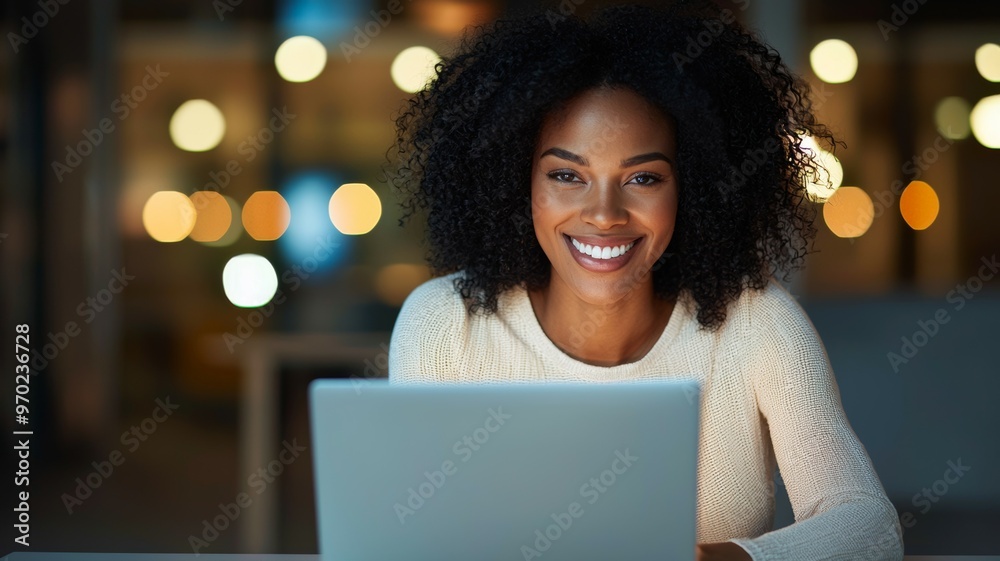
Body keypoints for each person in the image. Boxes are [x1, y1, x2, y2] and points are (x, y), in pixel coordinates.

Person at [384, 2, 904, 560]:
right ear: (517, 183)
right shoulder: (447, 322)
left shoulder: (755, 323)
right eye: (566, 175)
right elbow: (409, 532)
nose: (604, 213)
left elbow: (868, 526)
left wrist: (710, 559)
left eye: (643, 177)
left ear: (696, 187)